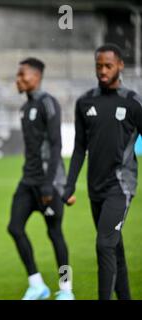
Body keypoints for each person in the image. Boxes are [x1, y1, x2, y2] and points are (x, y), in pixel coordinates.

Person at [63, 44, 142, 300]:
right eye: (99, 66)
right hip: (95, 189)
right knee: (114, 248)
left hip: (121, 187)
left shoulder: (132, 102)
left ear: (120, 65)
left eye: (108, 65)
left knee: (104, 245)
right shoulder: (85, 101)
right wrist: (70, 184)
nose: (103, 71)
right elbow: (79, 148)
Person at [7, 58, 73, 300]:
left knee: (55, 234)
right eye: (18, 75)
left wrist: (50, 183)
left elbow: (56, 144)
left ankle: (66, 289)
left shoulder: (49, 103)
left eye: (22, 75)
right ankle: (37, 284)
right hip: (28, 181)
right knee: (14, 228)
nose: (18, 79)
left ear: (36, 77)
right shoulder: (25, 108)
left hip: (49, 183)